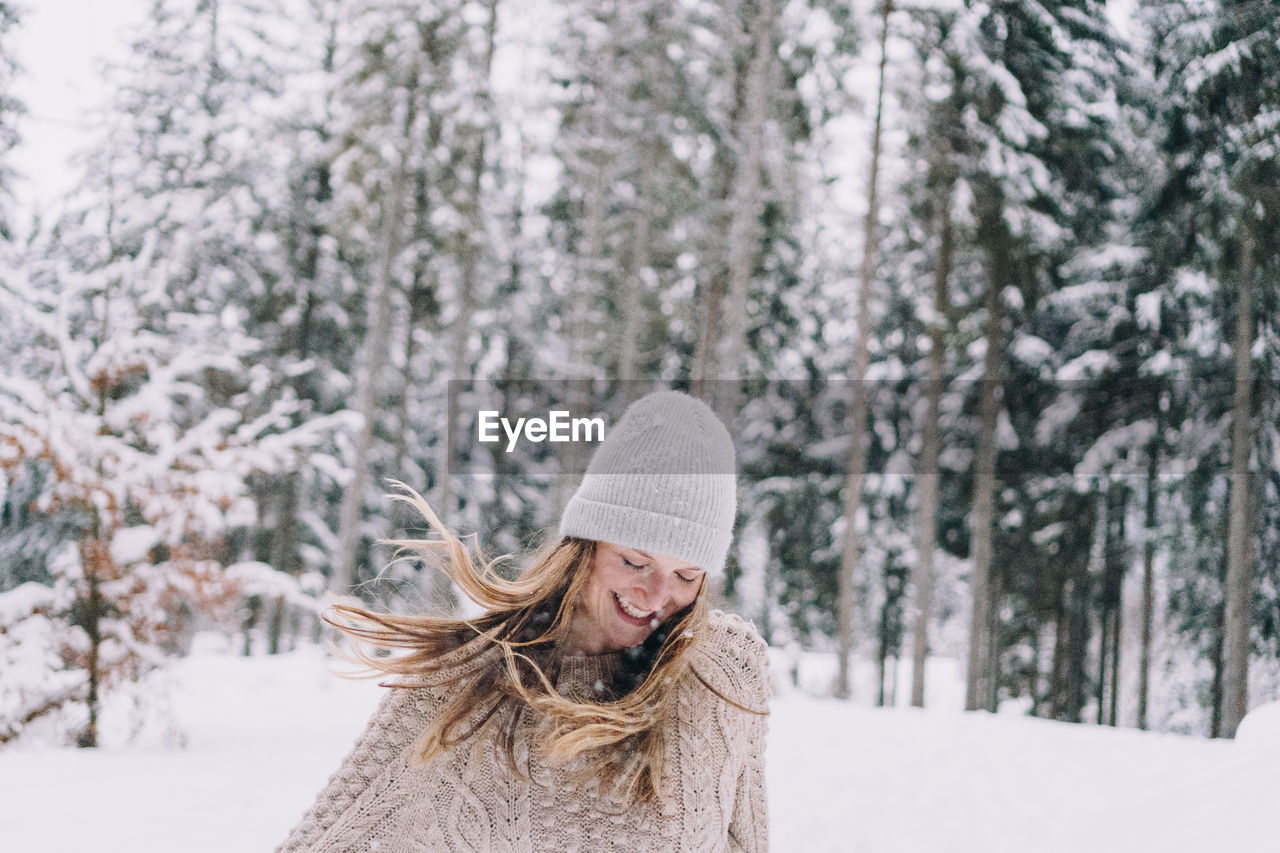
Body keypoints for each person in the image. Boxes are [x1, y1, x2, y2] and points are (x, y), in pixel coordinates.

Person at [275, 389, 771, 852]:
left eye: (686, 575)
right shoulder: (468, 674)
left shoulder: (726, 670)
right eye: (634, 562)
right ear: (584, 547)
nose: (657, 595)